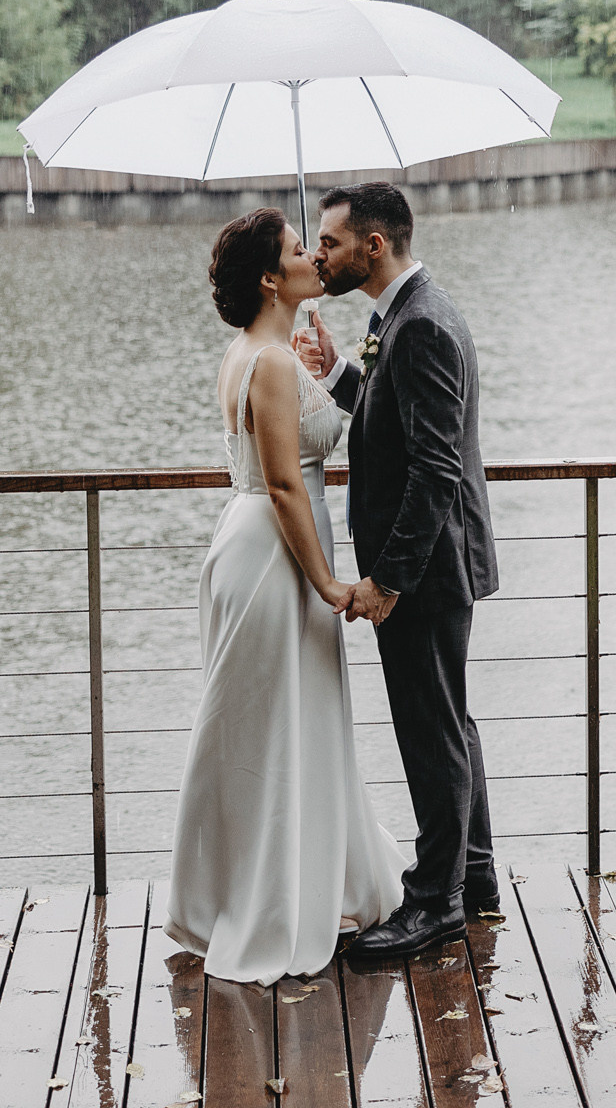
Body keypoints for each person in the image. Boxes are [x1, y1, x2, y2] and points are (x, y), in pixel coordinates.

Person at [165, 208, 408, 984]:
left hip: (249, 544)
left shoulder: (257, 354)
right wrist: (328, 582)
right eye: (299, 250)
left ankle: (283, 888)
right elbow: (282, 483)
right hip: (278, 554)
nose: (313, 257)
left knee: (276, 725)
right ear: (272, 278)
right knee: (275, 731)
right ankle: (274, 905)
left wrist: (325, 370)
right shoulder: (270, 364)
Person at [293, 181, 501, 963]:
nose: (321, 254)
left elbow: (435, 468)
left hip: (427, 567)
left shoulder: (420, 327)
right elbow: (397, 419)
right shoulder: (408, 315)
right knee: (449, 722)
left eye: (332, 243)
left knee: (430, 730)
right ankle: (472, 877)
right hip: (436, 562)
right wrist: (342, 371)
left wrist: (388, 579)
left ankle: (435, 905)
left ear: (373, 247)